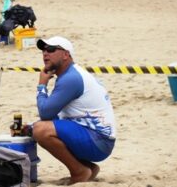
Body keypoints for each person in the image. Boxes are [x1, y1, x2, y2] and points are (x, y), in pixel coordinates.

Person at [31, 36, 116, 185]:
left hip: (98, 141)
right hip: (99, 138)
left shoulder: (71, 78)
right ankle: (88, 168)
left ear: (66, 55)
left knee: (40, 130)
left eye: (51, 49)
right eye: (43, 50)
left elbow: (45, 113)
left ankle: (79, 171)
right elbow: (55, 115)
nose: (45, 53)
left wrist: (41, 85)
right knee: (36, 127)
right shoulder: (70, 74)